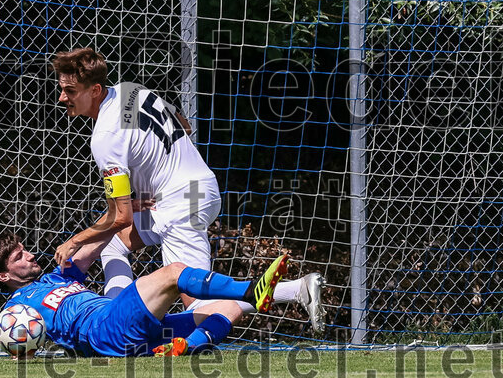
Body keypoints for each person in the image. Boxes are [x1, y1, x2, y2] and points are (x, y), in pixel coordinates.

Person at [50, 47, 325, 332]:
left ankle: (296, 290)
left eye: (70, 91)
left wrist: (75, 241)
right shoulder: (130, 91)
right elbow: (184, 125)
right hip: (193, 188)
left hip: (180, 204)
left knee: (200, 307)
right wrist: (152, 180)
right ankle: (113, 317)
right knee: (112, 245)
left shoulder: (105, 137)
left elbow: (120, 217)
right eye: (61, 89)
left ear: (95, 90)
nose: (62, 98)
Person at [0, 230, 289, 357]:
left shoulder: (58, 275)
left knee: (227, 308)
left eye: (24, 250)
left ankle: (186, 347)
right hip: (103, 328)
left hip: (123, 329)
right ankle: (252, 289)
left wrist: (124, 212)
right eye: (18, 257)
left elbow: (105, 238)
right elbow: (20, 343)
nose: (28, 256)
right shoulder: (17, 310)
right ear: (3, 276)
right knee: (174, 273)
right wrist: (22, 352)